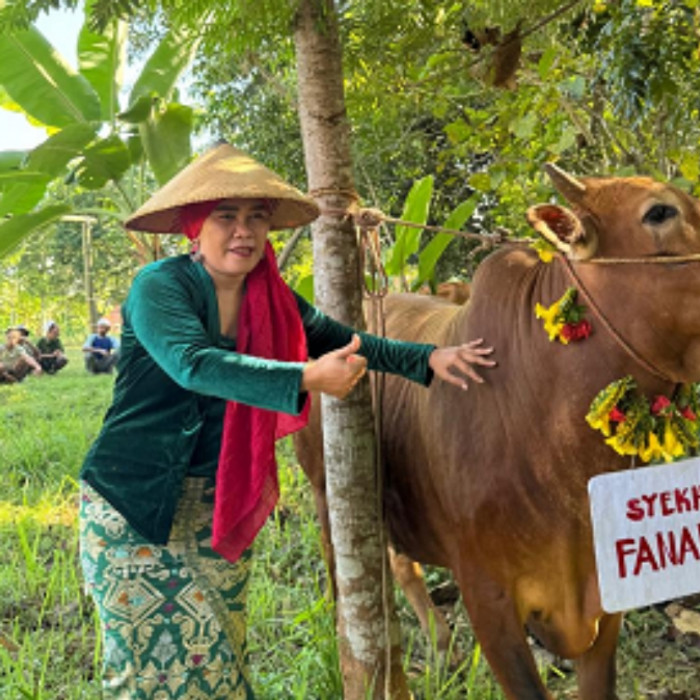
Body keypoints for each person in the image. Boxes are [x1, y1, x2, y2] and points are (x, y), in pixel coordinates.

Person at [78, 143, 495, 699]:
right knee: (141, 670)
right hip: (130, 506)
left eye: (256, 217)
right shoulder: (160, 287)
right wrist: (304, 377)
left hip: (211, 500)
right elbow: (193, 364)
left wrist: (427, 359)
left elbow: (342, 339)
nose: (243, 231)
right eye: (226, 216)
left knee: (219, 659)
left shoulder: (270, 295)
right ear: (195, 226)